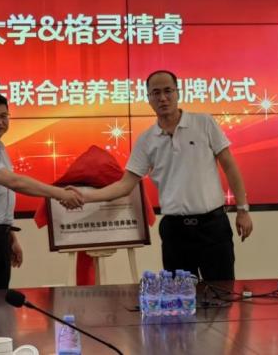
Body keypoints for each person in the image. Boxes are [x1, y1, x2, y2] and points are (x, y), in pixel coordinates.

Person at [77, 70, 252, 280]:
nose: (163, 98)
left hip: (213, 226)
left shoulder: (204, 123)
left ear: (178, 93)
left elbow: (229, 166)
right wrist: (84, 196)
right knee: (179, 296)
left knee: (222, 293)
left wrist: (242, 210)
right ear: (148, 98)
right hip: (175, 232)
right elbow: (125, 185)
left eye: (168, 91)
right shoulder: (146, 140)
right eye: (156, 93)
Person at [0, 92, 84, 291]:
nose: (0, 122)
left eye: (4, 116)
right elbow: (15, 182)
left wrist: (10, 236)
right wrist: (60, 194)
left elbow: (1, 196)